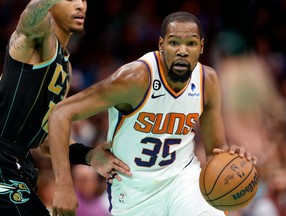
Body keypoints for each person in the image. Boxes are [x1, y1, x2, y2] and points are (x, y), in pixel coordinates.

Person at [48, 11, 257, 216]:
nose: (182, 51)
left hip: (183, 181)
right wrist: (64, 185)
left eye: (191, 44)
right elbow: (61, 114)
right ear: (161, 45)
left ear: (201, 47)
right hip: (133, 192)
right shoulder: (134, 79)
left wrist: (233, 161)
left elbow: (216, 151)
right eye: (174, 43)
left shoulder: (207, 81)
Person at [0, 0, 130, 215]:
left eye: (83, 0)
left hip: (18, 165)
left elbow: (45, 142)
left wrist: (89, 156)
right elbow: (28, 18)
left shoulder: (65, 68)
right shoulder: (36, 39)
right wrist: (63, 184)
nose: (80, 5)